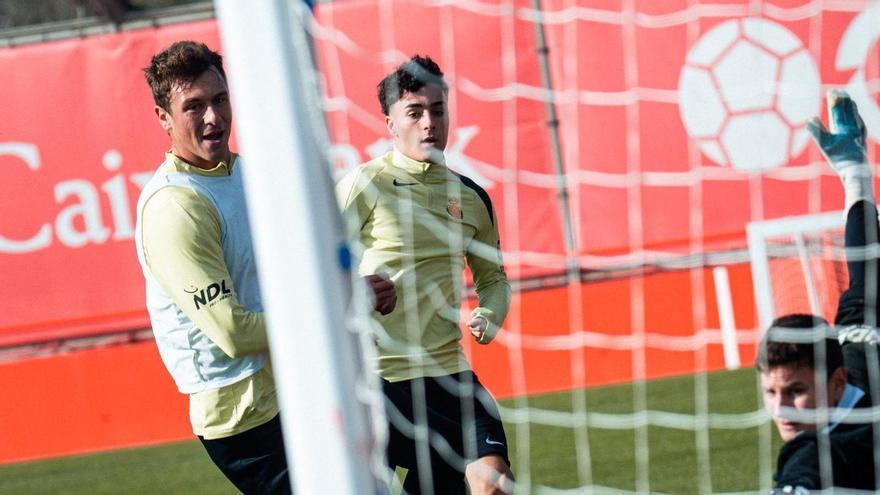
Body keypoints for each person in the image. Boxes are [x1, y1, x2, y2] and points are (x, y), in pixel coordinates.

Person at [336, 55, 515, 494]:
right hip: (380, 381)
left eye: (437, 110)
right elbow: (318, 266)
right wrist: (356, 291)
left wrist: (489, 315)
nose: (429, 123)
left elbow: (493, 279)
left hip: (449, 374)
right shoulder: (365, 184)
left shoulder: (472, 197)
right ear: (391, 124)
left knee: (495, 484)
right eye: (414, 113)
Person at [135, 41, 289, 495]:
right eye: (193, 106)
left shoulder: (247, 173)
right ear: (163, 117)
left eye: (220, 99)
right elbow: (234, 334)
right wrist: (333, 318)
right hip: (242, 415)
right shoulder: (175, 206)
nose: (212, 117)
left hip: (291, 386)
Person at [756, 90, 879, 493]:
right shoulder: (862, 334)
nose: (781, 410)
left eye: (796, 391)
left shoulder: (823, 450)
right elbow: (864, 263)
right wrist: (854, 175)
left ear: (837, 383)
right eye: (771, 392)